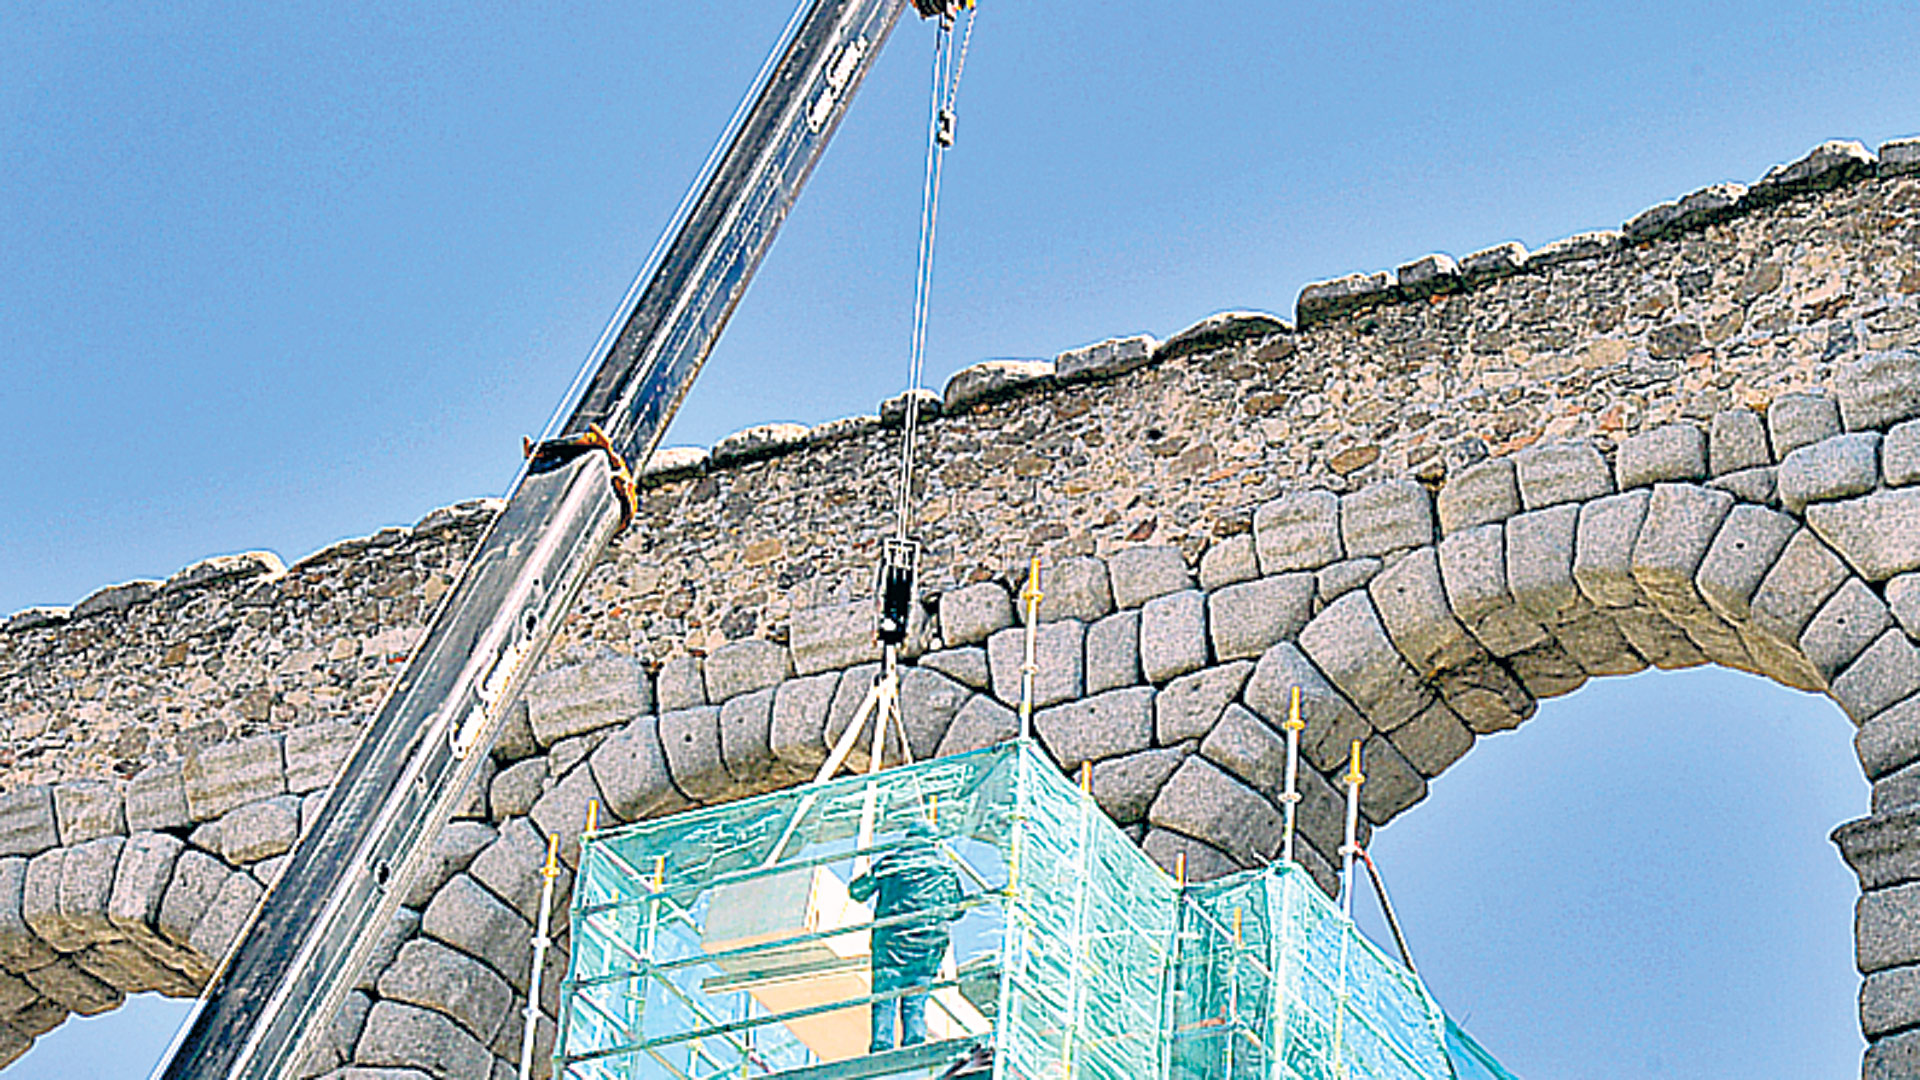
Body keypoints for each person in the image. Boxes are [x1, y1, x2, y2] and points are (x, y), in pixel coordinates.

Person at [848, 819, 963, 1053]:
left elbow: (858, 891)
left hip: (891, 941)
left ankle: (882, 1045)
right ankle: (914, 1041)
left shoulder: (891, 863)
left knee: (885, 994)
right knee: (916, 994)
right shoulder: (945, 869)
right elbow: (957, 910)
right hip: (928, 942)